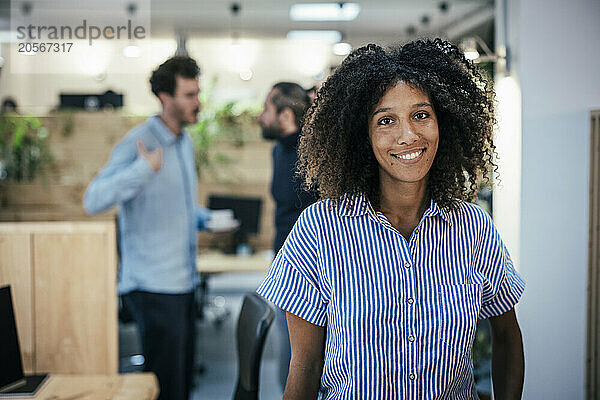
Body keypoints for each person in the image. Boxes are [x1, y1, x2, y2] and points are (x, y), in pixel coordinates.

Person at [257, 39, 525, 399]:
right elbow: (304, 368)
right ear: (361, 135)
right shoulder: (319, 230)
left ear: (443, 121)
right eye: (386, 120)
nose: (408, 135)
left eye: (421, 115)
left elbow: (507, 336)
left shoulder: (473, 228)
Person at [83, 56, 208, 400]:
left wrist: (206, 219)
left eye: (198, 93)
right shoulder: (139, 142)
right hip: (152, 286)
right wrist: (141, 170)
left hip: (183, 282)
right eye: (189, 95)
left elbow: (174, 205)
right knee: (164, 387)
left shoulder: (184, 141)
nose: (198, 102)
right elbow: (93, 200)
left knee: (182, 382)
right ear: (165, 99)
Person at [257, 82, 318, 389]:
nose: (259, 116)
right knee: (288, 346)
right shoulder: (278, 151)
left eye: (266, 109)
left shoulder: (314, 157)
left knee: (300, 353)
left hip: (310, 269)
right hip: (283, 260)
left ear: (284, 115)